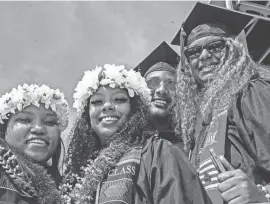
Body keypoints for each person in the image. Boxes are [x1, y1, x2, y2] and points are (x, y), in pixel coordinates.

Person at [60, 64, 211, 204]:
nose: (107, 106)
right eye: (97, 102)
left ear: (134, 110)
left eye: (119, 99)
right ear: (86, 114)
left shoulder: (158, 152)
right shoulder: (77, 170)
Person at [172, 2, 270, 204]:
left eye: (215, 46)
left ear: (233, 49)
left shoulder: (251, 92)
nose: (205, 56)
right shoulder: (200, 120)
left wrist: (263, 195)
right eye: (194, 52)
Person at [0, 84, 69, 204]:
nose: (38, 129)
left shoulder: (68, 189)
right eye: (24, 120)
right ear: (3, 129)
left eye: (49, 122)